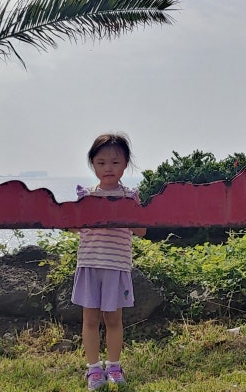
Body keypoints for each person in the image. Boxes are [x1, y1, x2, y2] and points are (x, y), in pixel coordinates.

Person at [69, 133, 146, 390]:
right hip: (90, 265)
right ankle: (93, 369)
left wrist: (129, 212)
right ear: (93, 164)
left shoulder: (130, 196)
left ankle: (114, 366)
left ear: (125, 164)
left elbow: (141, 230)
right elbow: (73, 228)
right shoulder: (86, 195)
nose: (108, 168)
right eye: (101, 163)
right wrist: (75, 216)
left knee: (114, 321)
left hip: (116, 267)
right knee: (90, 321)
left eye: (115, 162)